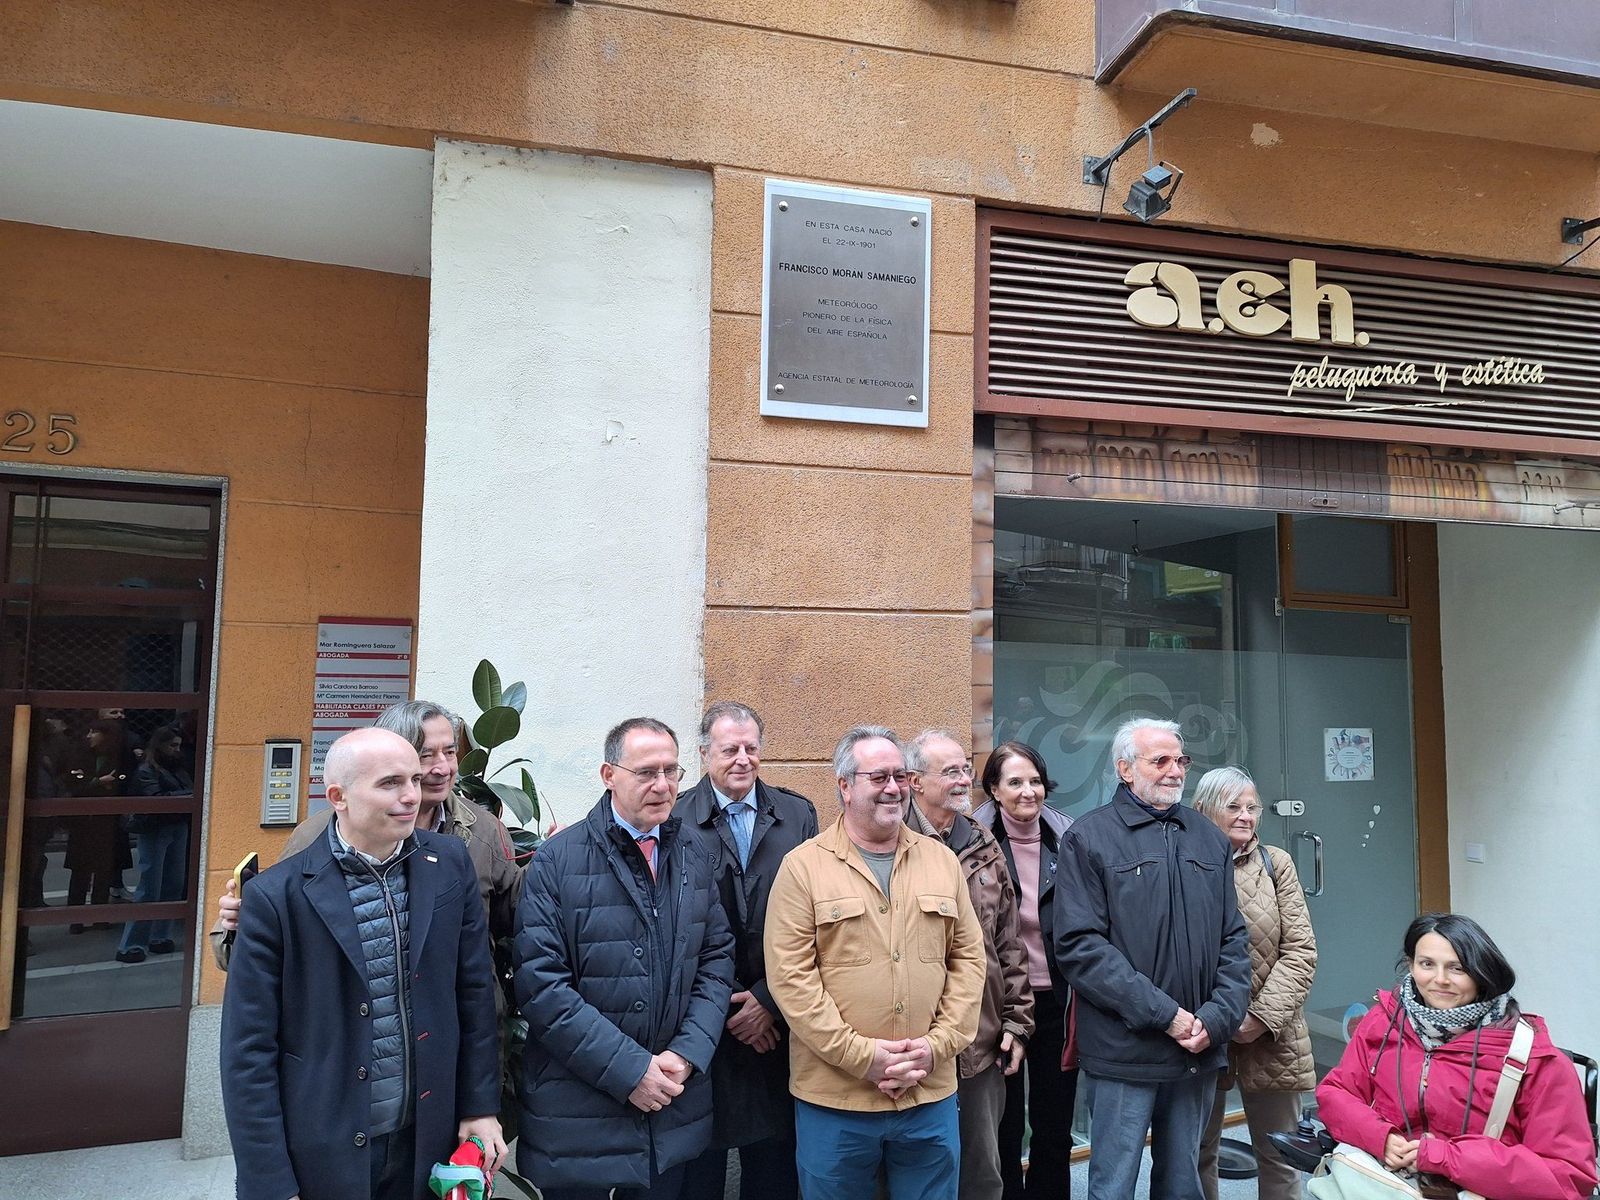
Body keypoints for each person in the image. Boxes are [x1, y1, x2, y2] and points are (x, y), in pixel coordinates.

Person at [221, 727, 504, 1200]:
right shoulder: (277, 896)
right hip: (325, 1145)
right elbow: (248, 1052)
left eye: (414, 780)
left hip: (427, 1136)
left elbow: (473, 993)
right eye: (391, 783)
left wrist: (479, 1107)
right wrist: (268, 1180)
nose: (412, 796)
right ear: (339, 796)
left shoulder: (451, 862)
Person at [512, 716, 735, 1199]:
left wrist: (687, 1053)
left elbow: (716, 960)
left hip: (673, 1112)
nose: (663, 784)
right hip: (580, 1122)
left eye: (672, 771)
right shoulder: (557, 860)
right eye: (646, 772)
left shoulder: (693, 852)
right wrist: (630, 1070)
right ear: (608, 775)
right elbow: (541, 987)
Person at [764, 725, 987, 1200]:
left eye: (901, 776)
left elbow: (969, 960)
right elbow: (791, 980)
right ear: (844, 786)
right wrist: (862, 1059)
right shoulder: (803, 868)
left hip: (929, 1092)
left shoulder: (940, 861)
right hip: (836, 1100)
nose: (894, 788)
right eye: (878, 777)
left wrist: (937, 1047)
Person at [1052, 717, 1251, 1200]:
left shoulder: (1207, 837)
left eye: (1179, 760)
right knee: (1113, 1184)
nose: (1174, 771)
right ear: (1124, 769)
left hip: (1197, 1051)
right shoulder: (1089, 837)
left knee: (1183, 1183)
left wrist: (1216, 1019)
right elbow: (1080, 947)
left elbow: (1233, 938)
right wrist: (1166, 1016)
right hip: (1125, 1052)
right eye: (1158, 760)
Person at [211, 699, 524, 974]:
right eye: (425, 755)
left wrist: (556, 861)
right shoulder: (317, 836)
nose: (442, 767)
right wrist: (235, 927)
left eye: (450, 752)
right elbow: (255, 955)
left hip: (453, 1027)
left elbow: (513, 917)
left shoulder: (482, 829)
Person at [1317, 913, 1597, 1200]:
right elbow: (1336, 1092)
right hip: (1384, 1181)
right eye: (1427, 964)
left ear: (1482, 973)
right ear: (1410, 965)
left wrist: (1444, 1157)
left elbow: (1567, 1176)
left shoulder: (1535, 1059)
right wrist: (1380, 1137)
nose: (1440, 980)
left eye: (1457, 968)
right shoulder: (1384, 1022)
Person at [679, 701, 818, 1200]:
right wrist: (728, 1011)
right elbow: (675, 932)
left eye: (751, 748)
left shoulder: (797, 814)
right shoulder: (675, 818)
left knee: (775, 1171)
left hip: (777, 1022)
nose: (742, 758)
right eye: (728, 749)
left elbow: (813, 921)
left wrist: (766, 1001)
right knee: (699, 1171)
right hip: (700, 1027)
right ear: (703, 754)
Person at [906, 729, 1034, 1200]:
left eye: (965, 768)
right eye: (951, 771)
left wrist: (1018, 1024)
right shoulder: (890, 839)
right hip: (914, 1045)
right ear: (915, 782)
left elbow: (1008, 943)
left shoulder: (982, 842)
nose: (964, 780)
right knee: (917, 1171)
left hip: (980, 1044)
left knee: (982, 1174)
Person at [1191, 767, 1316, 1200]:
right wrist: (1219, 1019)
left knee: (1281, 1156)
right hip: (1204, 1031)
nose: (1246, 816)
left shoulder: (1275, 863)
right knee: (1197, 1151)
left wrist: (1260, 1017)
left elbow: (1301, 951)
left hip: (1273, 1034)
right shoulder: (1183, 862)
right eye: (1233, 807)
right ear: (1204, 810)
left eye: (1252, 807)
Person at [972, 740, 1077, 1200]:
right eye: (1014, 782)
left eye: (1035, 781)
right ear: (994, 789)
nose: (1028, 791)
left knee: (1055, 1124)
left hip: (1058, 998)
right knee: (1005, 1125)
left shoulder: (1069, 838)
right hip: (999, 1003)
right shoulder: (972, 843)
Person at [115, 724, 193, 963]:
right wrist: (187, 796)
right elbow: (155, 799)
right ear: (160, 745)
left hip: (176, 826)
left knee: (173, 884)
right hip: (155, 828)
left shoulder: (176, 767)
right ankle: (131, 944)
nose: (176, 750)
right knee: (149, 885)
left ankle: (159, 936)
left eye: (178, 745)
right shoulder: (147, 770)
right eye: (172, 745)